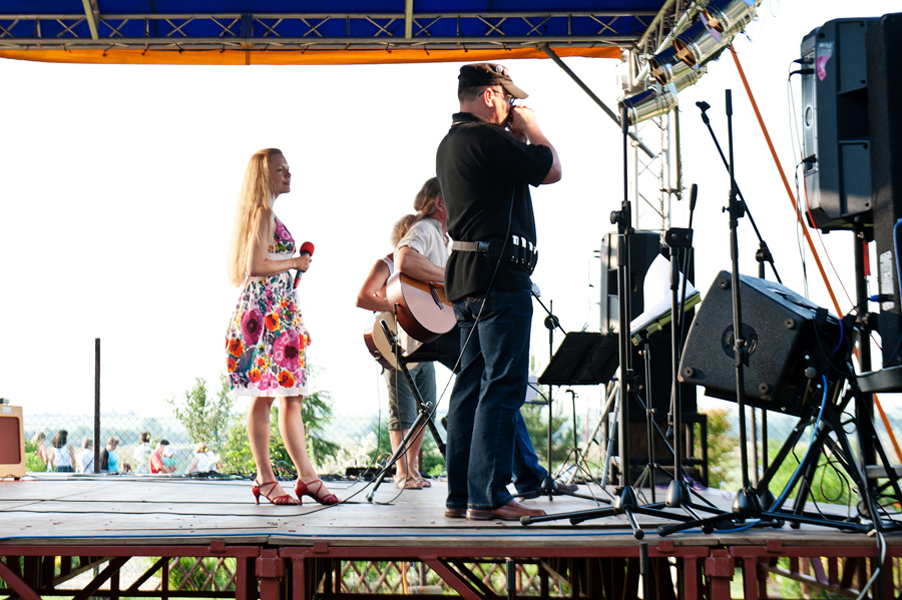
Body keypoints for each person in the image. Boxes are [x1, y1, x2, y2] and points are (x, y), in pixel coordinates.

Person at [436, 63, 561, 521]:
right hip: (499, 278)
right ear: (490, 95)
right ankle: (489, 494)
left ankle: (461, 496)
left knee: (470, 386)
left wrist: (515, 135)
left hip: (468, 276)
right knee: (503, 385)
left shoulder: (452, 142)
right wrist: (532, 128)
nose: (512, 108)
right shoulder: (487, 138)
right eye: (508, 99)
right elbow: (551, 169)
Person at [224, 148, 338, 506]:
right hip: (267, 314)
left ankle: (306, 477)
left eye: (288, 168)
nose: (288, 174)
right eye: (280, 170)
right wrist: (295, 261)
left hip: (279, 314)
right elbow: (255, 265)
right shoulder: (262, 213)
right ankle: (267, 477)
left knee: (291, 396)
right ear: (264, 175)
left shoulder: (265, 214)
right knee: (266, 396)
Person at [356, 177, 449, 490]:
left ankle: (413, 469)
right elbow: (362, 297)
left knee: (426, 407)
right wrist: (400, 304)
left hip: (424, 340)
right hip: (398, 341)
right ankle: (401, 471)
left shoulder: (428, 261)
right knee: (402, 411)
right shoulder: (387, 263)